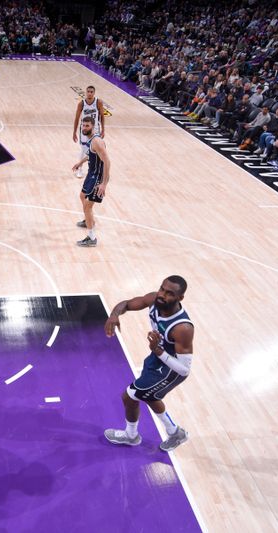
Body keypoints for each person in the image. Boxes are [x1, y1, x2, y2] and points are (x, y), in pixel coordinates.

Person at [103, 276, 194, 452]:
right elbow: (127, 304)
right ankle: (175, 433)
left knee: (129, 396)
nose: (162, 295)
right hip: (157, 358)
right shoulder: (154, 299)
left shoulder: (182, 328)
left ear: (179, 298)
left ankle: (131, 435)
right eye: (162, 289)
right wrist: (114, 315)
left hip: (170, 370)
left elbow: (184, 370)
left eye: (169, 294)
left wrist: (158, 350)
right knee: (150, 395)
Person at [72, 116, 111, 247]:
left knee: (87, 206)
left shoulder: (97, 142)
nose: (84, 128)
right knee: (82, 196)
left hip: (97, 177)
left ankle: (91, 237)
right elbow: (91, 155)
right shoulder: (91, 140)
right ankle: (88, 220)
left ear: (93, 127)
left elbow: (107, 161)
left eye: (87, 126)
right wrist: (80, 163)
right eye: (83, 125)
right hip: (91, 174)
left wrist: (104, 184)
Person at [72, 85, 106, 178]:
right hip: (84, 129)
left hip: (95, 129)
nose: (90, 93)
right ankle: (80, 169)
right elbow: (77, 118)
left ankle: (97, 170)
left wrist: (103, 129)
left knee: (97, 149)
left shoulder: (98, 102)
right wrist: (74, 132)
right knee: (84, 150)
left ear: (94, 93)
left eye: (91, 92)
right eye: (88, 91)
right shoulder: (81, 104)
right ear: (86, 93)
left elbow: (102, 116)